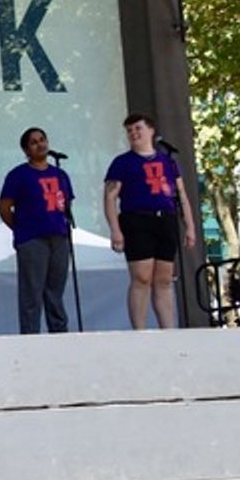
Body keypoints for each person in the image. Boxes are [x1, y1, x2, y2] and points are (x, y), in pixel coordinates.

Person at [103, 113, 196, 329]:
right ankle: (140, 331)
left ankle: (168, 330)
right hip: (136, 221)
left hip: (166, 220)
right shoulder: (122, 162)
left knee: (163, 280)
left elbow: (181, 195)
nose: (133, 133)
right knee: (142, 278)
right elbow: (109, 197)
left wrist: (189, 226)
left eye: (138, 128)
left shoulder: (168, 161)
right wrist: (115, 230)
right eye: (129, 130)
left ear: (151, 131)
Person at [0, 127, 75, 334]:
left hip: (59, 237)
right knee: (32, 292)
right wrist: (21, 228)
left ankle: (60, 335)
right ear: (26, 149)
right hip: (32, 239)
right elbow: (4, 208)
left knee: (55, 291)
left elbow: (66, 205)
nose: (40, 144)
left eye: (42, 139)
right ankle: (30, 338)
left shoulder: (60, 174)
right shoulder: (18, 175)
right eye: (34, 142)